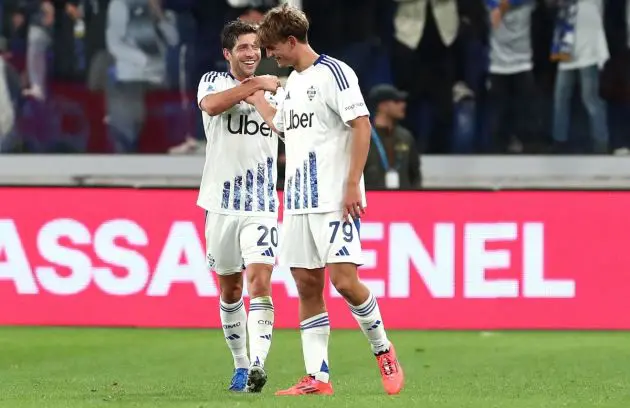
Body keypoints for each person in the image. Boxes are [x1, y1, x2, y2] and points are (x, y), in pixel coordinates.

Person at [247, 4, 404, 396]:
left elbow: (361, 125)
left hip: (335, 197)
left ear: (292, 41)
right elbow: (283, 128)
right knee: (306, 285)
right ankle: (317, 378)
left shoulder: (335, 73)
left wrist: (353, 183)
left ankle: (383, 349)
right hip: (297, 202)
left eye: (273, 49)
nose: (272, 57)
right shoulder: (292, 83)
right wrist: (255, 98)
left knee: (345, 282)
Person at [196, 20, 282, 393]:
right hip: (220, 204)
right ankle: (241, 364)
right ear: (228, 54)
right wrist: (253, 86)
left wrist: (260, 91)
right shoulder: (212, 81)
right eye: (243, 47)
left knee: (260, 281)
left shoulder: (275, 90)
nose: (251, 53)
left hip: (262, 204)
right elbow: (212, 106)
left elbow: (280, 126)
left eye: (256, 47)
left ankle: (260, 363)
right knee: (230, 291)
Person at [365, 84, 422, 190]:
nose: (403, 105)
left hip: (404, 201)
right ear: (383, 106)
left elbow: (415, 175)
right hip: (373, 200)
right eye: (397, 102)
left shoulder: (406, 137)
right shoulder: (364, 137)